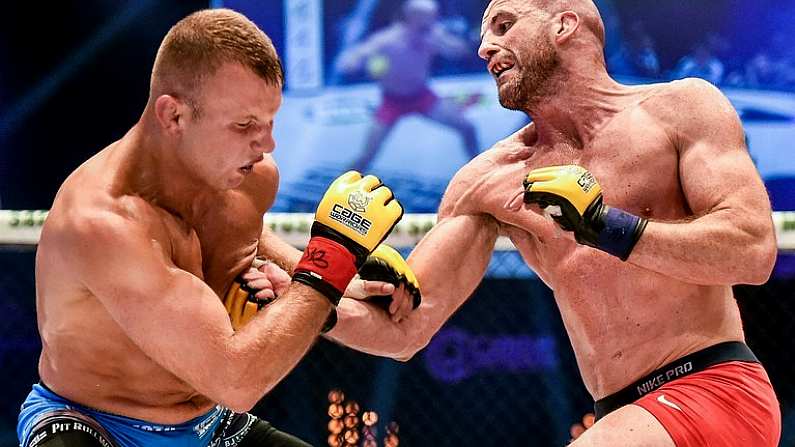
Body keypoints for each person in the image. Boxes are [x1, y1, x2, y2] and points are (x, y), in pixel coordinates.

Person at [324, 1, 783, 445]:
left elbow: (751, 251)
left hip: (712, 388)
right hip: (619, 414)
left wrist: (605, 227)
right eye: (484, 35)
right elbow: (404, 329)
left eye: (503, 26)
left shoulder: (680, 109)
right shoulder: (488, 180)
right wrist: (308, 290)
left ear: (564, 25)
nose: (485, 47)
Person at [16, 9, 405, 447]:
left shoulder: (248, 178)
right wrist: (329, 262)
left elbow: (245, 237)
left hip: (208, 423)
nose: (267, 145)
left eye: (269, 122)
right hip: (93, 422)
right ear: (174, 117)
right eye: (244, 126)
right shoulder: (103, 224)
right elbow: (237, 383)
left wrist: (336, 273)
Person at [335, 0, 480, 173]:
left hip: (421, 96)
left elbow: (460, 52)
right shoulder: (389, 39)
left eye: (433, 16)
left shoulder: (433, 35)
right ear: (412, 17)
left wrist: (444, 41)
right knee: (367, 155)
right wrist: (355, 61)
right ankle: (341, 187)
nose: (433, 20)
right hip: (392, 102)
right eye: (428, 17)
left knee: (467, 128)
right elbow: (348, 62)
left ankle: (479, 173)